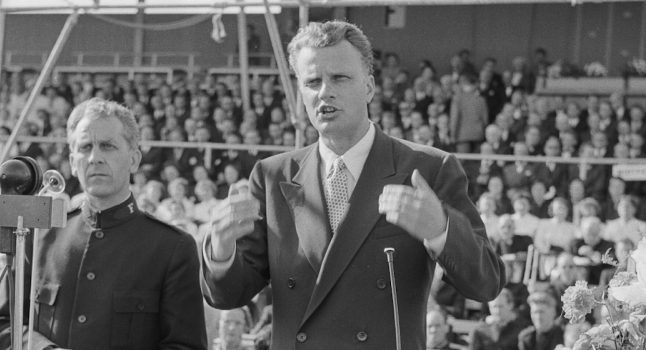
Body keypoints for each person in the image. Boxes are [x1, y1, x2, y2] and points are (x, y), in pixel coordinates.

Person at [201, 20, 505, 349]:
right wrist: (220, 249)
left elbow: (486, 283)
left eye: (340, 78)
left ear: (370, 88)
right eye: (312, 81)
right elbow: (229, 295)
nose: (324, 92)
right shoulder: (272, 175)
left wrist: (442, 231)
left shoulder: (428, 168)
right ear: (300, 92)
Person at [0, 98, 206, 349]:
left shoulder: (172, 248)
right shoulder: (39, 235)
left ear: (134, 160)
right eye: (85, 146)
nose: (94, 158)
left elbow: (185, 346)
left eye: (107, 146)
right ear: (72, 162)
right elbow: (0, 323)